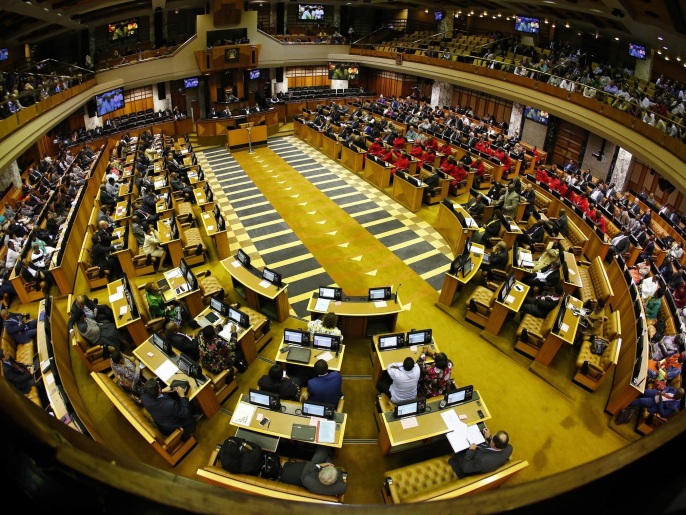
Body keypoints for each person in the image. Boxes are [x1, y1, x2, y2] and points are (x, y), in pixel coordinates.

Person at [280, 445, 347, 496]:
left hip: (313, 467)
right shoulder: (341, 487)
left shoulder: (308, 479)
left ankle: (326, 450)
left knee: (322, 449)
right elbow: (340, 471)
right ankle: (330, 453)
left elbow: (309, 466)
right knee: (327, 457)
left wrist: (319, 465)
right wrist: (336, 470)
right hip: (320, 469)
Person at [448, 428, 512, 478]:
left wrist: (471, 450)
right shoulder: (508, 448)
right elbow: (497, 446)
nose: (491, 437)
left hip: (462, 465)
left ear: (493, 444)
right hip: (482, 451)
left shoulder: (482, 460)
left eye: (492, 437)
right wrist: (489, 438)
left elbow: (466, 468)